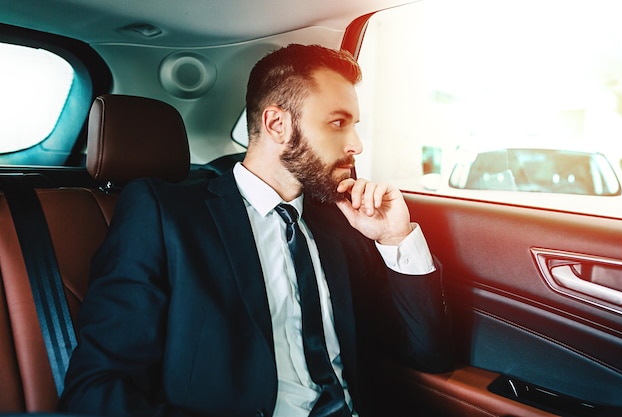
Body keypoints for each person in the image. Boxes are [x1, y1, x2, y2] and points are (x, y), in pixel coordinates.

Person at [59, 44, 453, 417]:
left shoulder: (342, 221)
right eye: (338, 123)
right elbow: (97, 390)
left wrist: (394, 239)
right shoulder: (166, 215)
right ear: (277, 124)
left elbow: (427, 354)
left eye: (354, 126)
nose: (355, 145)